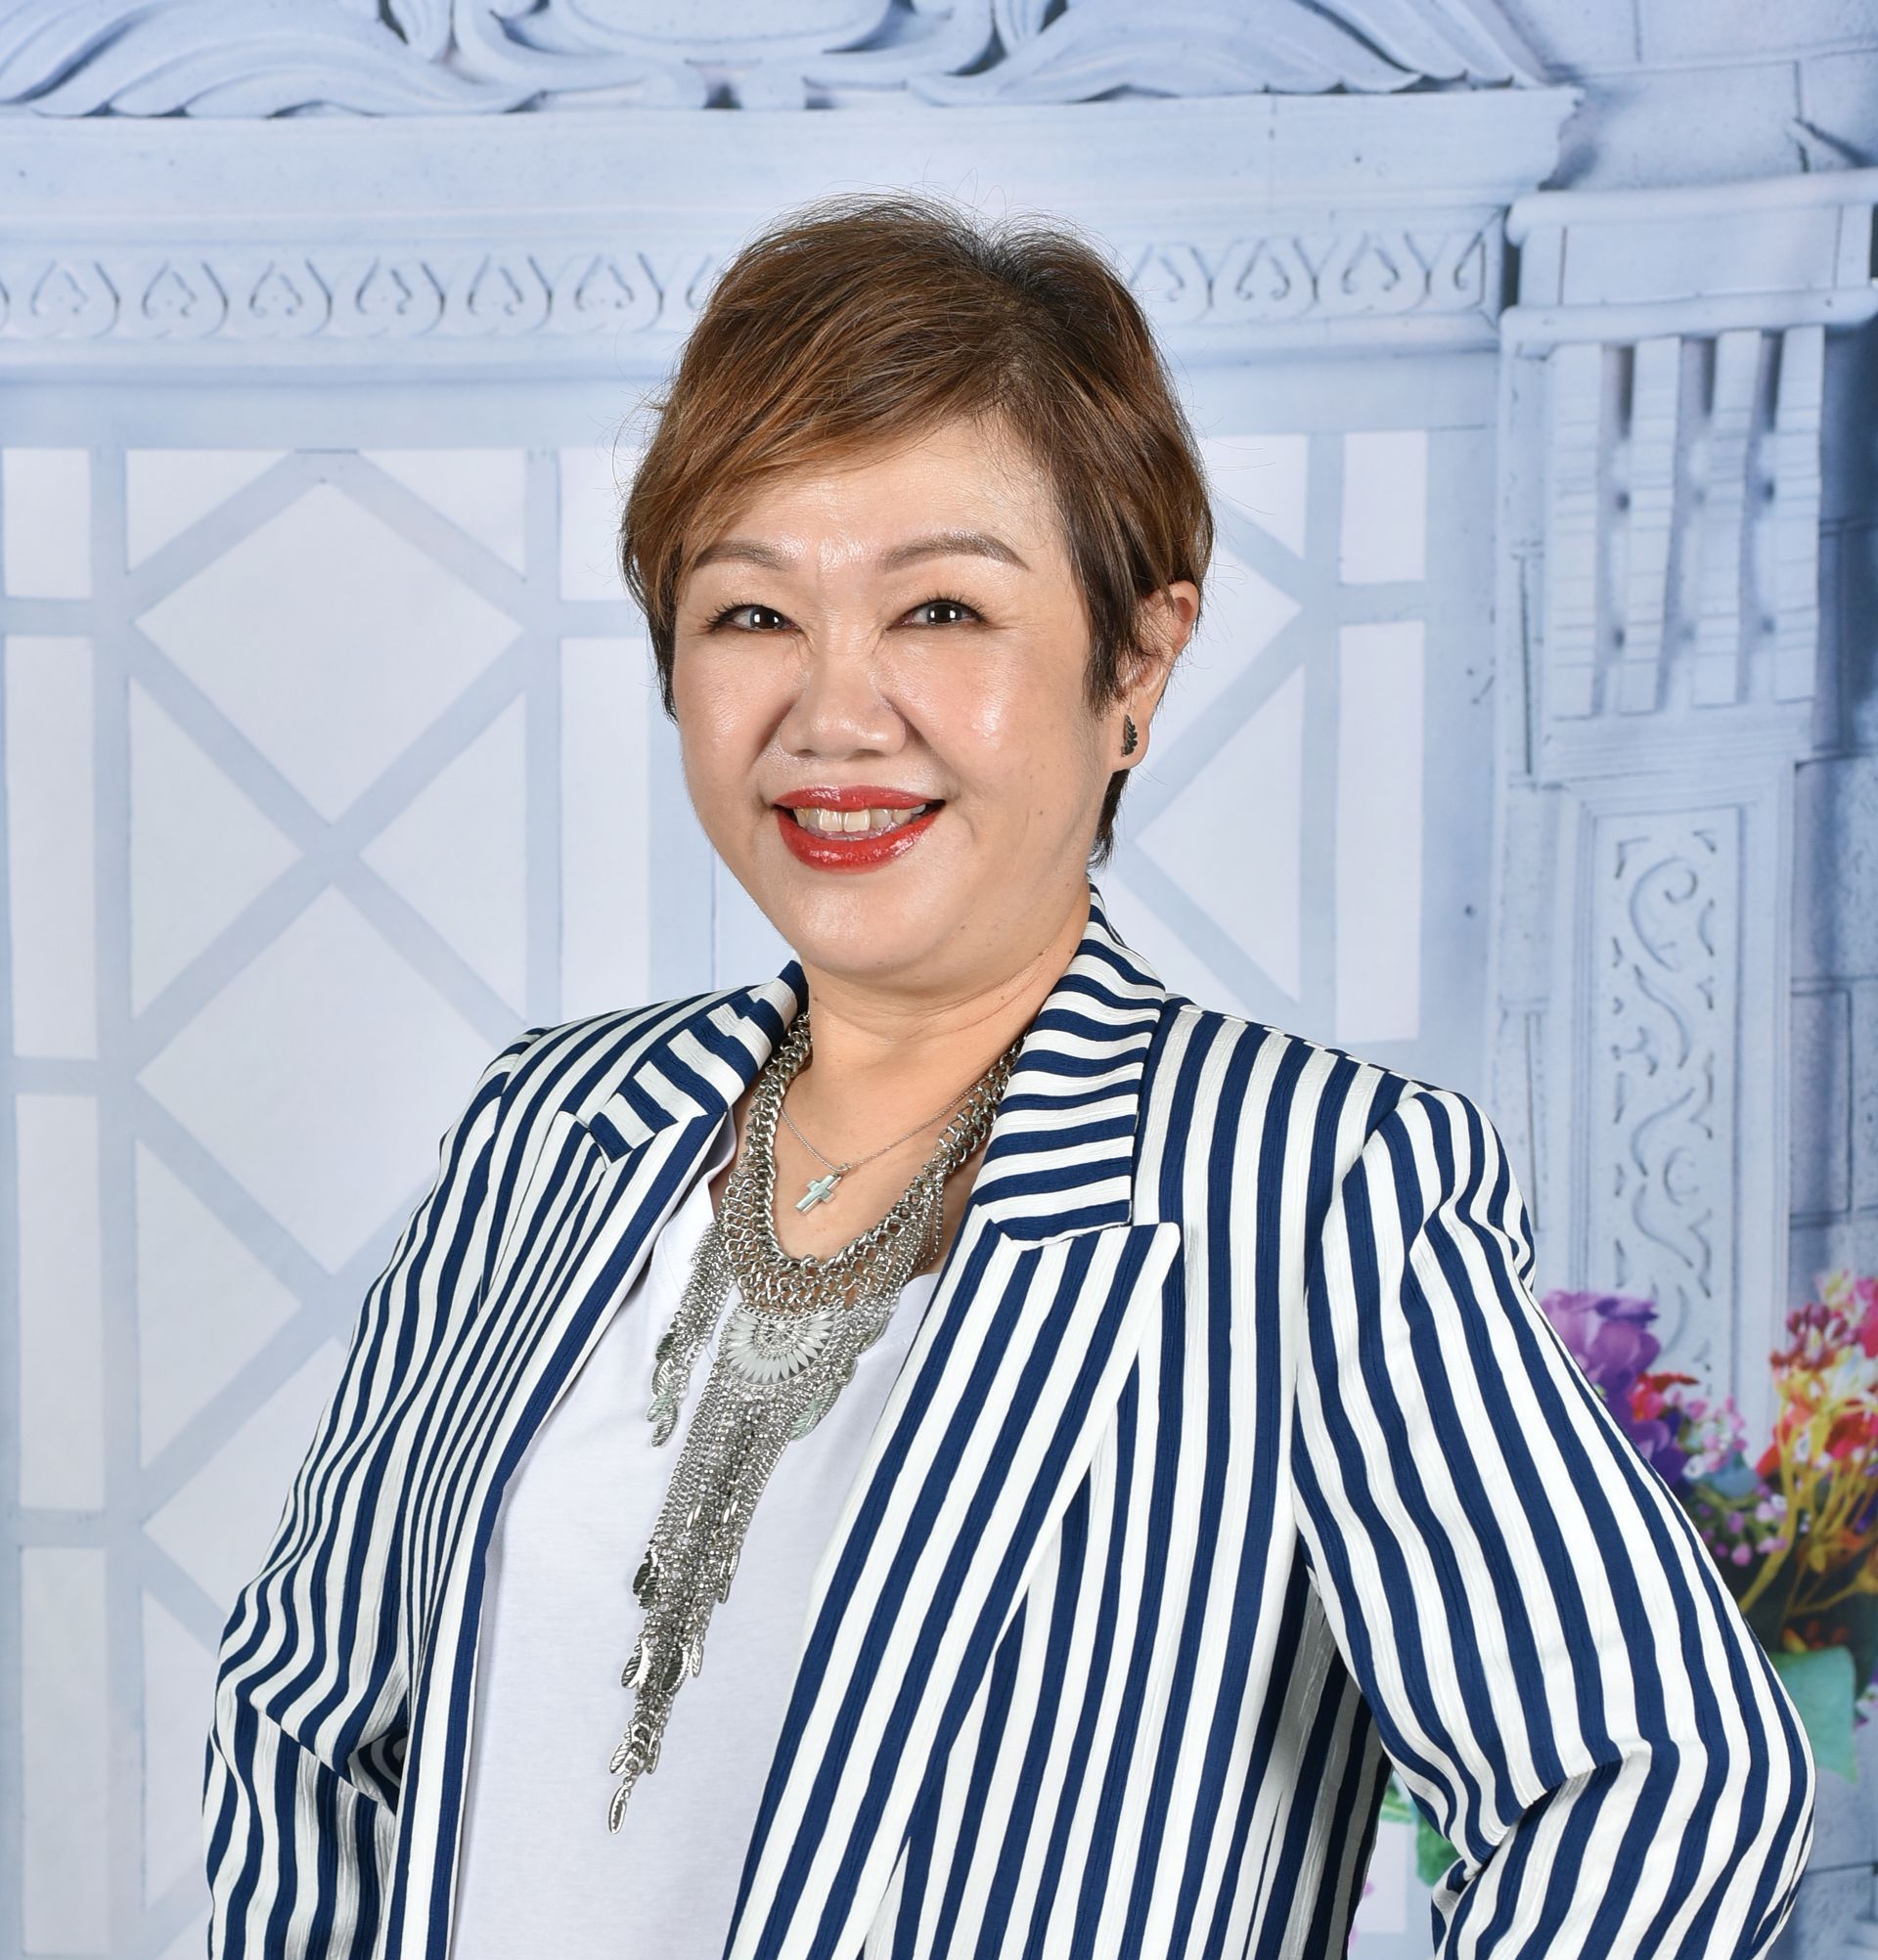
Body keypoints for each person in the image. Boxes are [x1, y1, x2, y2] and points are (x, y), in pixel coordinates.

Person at [202, 192, 1814, 1959]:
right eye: (750, 615)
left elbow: (1660, 1780)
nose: (833, 713)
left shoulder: (1302, 1191)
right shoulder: (552, 1128)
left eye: (942, 610)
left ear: (1137, 663)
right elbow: (311, 1715)